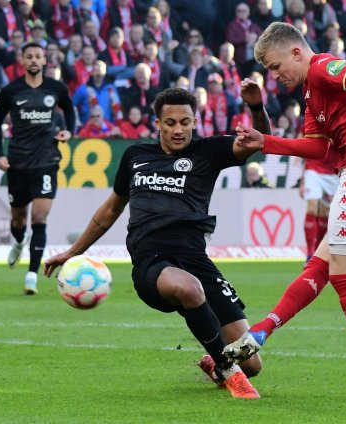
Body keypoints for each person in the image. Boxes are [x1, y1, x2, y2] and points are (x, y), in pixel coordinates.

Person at [222, 22, 346, 400]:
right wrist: (265, 141)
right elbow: (317, 148)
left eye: (275, 66)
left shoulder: (320, 68)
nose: (275, 76)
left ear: (296, 52)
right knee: (324, 262)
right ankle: (264, 329)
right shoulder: (312, 98)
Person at [43, 88, 262, 399]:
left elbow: (258, 140)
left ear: (195, 122)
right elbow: (110, 209)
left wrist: (255, 106)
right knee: (188, 289)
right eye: (170, 122)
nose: (177, 130)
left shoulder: (208, 152)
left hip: (197, 260)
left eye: (185, 122)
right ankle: (229, 372)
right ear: (157, 123)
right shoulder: (136, 156)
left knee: (252, 362)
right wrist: (72, 252)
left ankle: (216, 363)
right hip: (152, 260)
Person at [0, 42, 76, 295]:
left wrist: (68, 130)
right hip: (17, 163)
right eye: (29, 56)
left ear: (44, 60)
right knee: (18, 221)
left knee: (39, 218)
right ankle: (19, 242)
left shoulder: (56, 88)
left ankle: (31, 275)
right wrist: (0, 155)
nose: (34, 60)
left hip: (47, 161)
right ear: (22, 61)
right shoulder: (11, 91)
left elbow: (70, 109)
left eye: (38, 56)